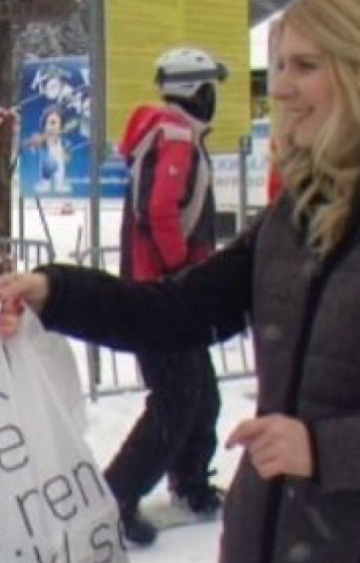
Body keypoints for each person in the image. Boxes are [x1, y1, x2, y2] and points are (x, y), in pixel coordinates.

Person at [0, 0, 360, 563]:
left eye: (306, 66)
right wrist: (54, 292)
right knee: (183, 401)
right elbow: (180, 309)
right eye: (280, 66)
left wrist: (324, 448)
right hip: (270, 533)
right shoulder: (297, 214)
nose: (282, 87)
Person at [104, 46, 228, 545]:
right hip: (163, 294)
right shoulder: (175, 137)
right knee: (176, 399)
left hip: (167, 290)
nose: (214, 99)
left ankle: (191, 483)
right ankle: (117, 496)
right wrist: (181, 271)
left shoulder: (170, 134)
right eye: (211, 89)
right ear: (196, 91)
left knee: (202, 393)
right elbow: (159, 211)